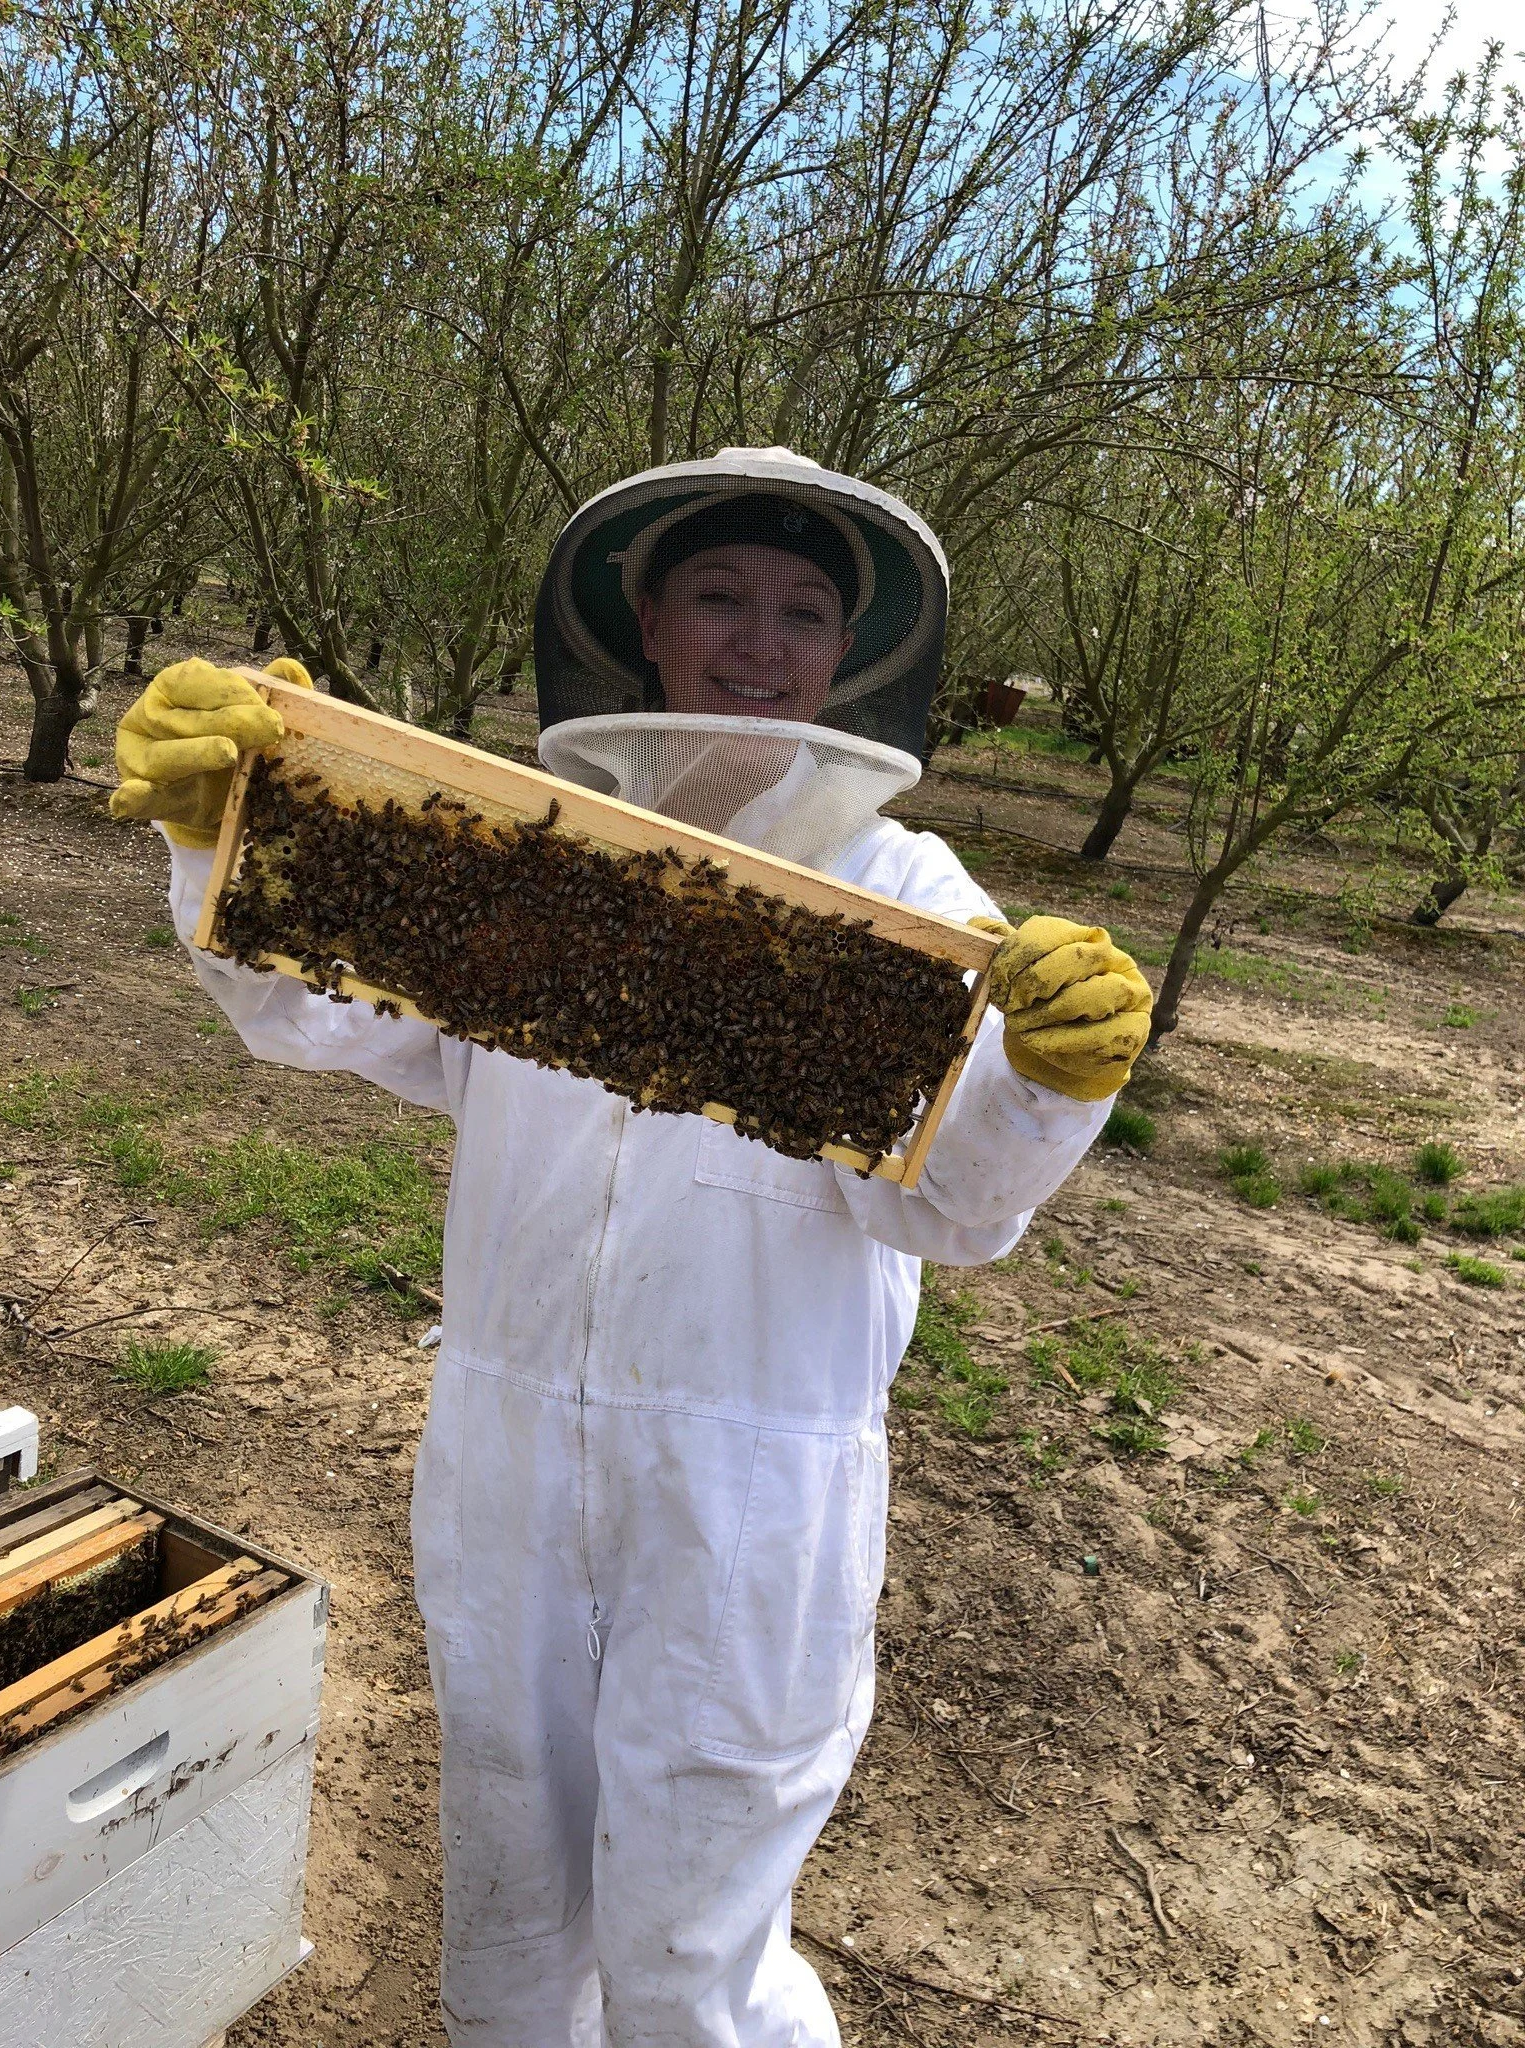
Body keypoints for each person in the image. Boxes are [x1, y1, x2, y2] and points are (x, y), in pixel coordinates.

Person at [111, 448, 1152, 2047]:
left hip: (749, 1493)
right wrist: (229, 830)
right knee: (510, 1877)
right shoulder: (539, 852)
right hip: (506, 1447)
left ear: (847, 662)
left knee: (691, 1942)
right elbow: (310, 1006)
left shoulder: (909, 892)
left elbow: (944, 1207)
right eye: (719, 595)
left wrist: (1046, 1089)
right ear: (649, 624)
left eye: (802, 613)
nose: (756, 639)